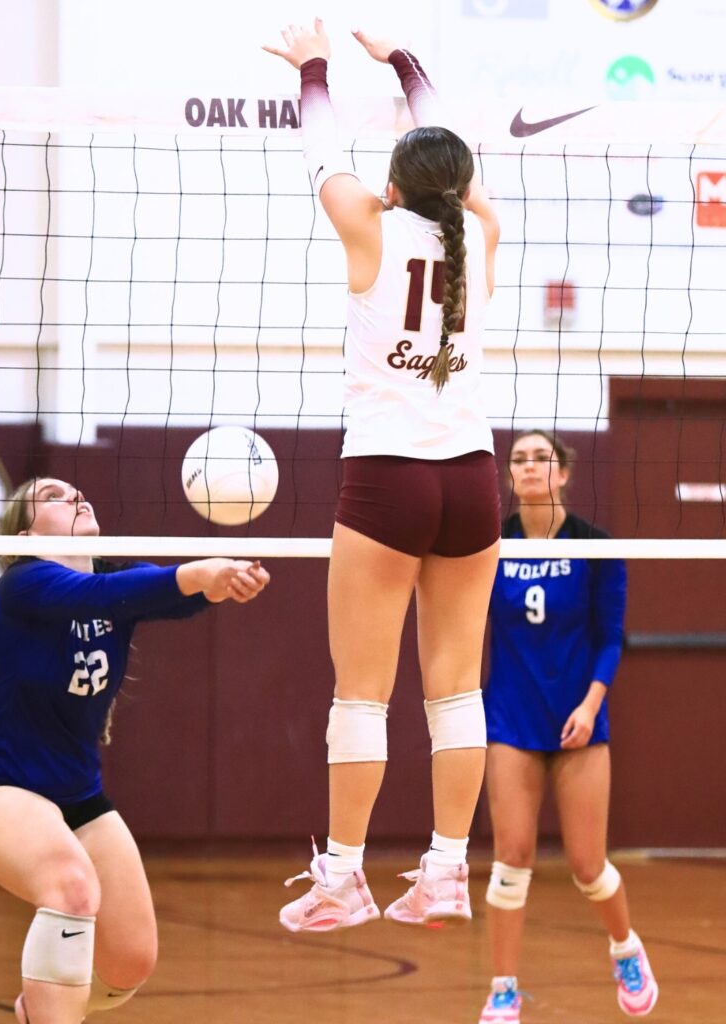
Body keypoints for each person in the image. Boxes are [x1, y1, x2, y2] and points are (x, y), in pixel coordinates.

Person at [263, 21, 502, 930]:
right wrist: (405, 63)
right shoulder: (482, 232)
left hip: (387, 480)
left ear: (395, 185)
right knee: (458, 688)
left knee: (361, 692)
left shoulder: (367, 223)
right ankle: (446, 871)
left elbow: (321, 143)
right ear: (462, 186)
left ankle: (347, 877)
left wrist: (312, 65)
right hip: (470, 479)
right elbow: (455, 156)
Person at [0, 477, 270, 1023]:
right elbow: (110, 596)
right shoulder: (24, 583)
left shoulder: (112, 578)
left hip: (74, 793)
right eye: (53, 496)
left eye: (78, 491)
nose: (77, 496)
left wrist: (219, 582)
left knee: (131, 959)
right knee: (70, 886)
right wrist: (199, 574)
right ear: (24, 533)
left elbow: (157, 593)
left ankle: (36, 1010)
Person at [478, 430, 657, 1023]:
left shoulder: (596, 546)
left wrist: (590, 703)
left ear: (562, 474)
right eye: (519, 460)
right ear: (510, 477)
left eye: (541, 459)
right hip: (511, 715)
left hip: (579, 715)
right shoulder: (488, 547)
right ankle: (503, 989)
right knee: (513, 856)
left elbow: (610, 637)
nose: (529, 468)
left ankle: (625, 948)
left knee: (586, 865)